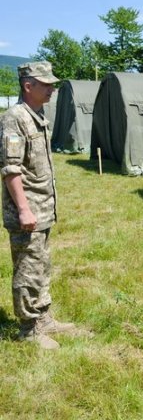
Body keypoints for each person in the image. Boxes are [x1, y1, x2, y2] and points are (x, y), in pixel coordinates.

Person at [0, 61, 78, 349]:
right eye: (46, 84)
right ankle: (28, 329)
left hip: (42, 209)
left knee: (41, 265)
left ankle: (43, 318)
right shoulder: (15, 118)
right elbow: (11, 169)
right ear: (27, 85)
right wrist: (23, 209)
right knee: (27, 269)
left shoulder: (37, 115)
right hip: (27, 212)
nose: (52, 89)